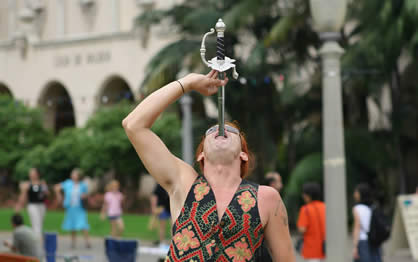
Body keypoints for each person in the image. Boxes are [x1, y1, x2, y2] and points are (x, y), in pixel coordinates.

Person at [122, 70, 295, 261]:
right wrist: (187, 83)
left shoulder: (267, 198)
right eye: (211, 131)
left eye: (231, 131)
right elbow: (133, 125)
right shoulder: (184, 182)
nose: (220, 129)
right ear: (201, 155)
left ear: (243, 155)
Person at [54, 168, 91, 249]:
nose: (72, 175)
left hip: (80, 207)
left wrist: (84, 196)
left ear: (78, 176)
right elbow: (57, 187)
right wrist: (59, 196)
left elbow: (87, 194)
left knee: (84, 224)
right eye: (72, 174)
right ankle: (73, 243)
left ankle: (87, 242)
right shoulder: (68, 183)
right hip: (70, 207)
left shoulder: (83, 185)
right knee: (72, 225)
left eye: (74, 174)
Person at [15, 167, 49, 239]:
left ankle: (35, 239)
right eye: (30, 173)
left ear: (37, 174)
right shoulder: (27, 184)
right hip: (32, 205)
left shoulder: (42, 183)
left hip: (41, 205)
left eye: (33, 173)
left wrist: (44, 187)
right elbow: (23, 196)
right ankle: (38, 241)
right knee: (36, 223)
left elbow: (47, 194)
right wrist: (19, 205)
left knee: (40, 223)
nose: (31, 175)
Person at [352, 183, 382, 262]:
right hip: (375, 239)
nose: (354, 194)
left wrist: (355, 246)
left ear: (360, 194)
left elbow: (357, 227)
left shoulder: (357, 208)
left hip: (363, 240)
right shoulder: (374, 206)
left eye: (356, 192)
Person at [297, 182, 326, 262]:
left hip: (311, 249)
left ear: (308, 195)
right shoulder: (325, 207)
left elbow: (302, 229)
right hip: (325, 248)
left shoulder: (305, 209)